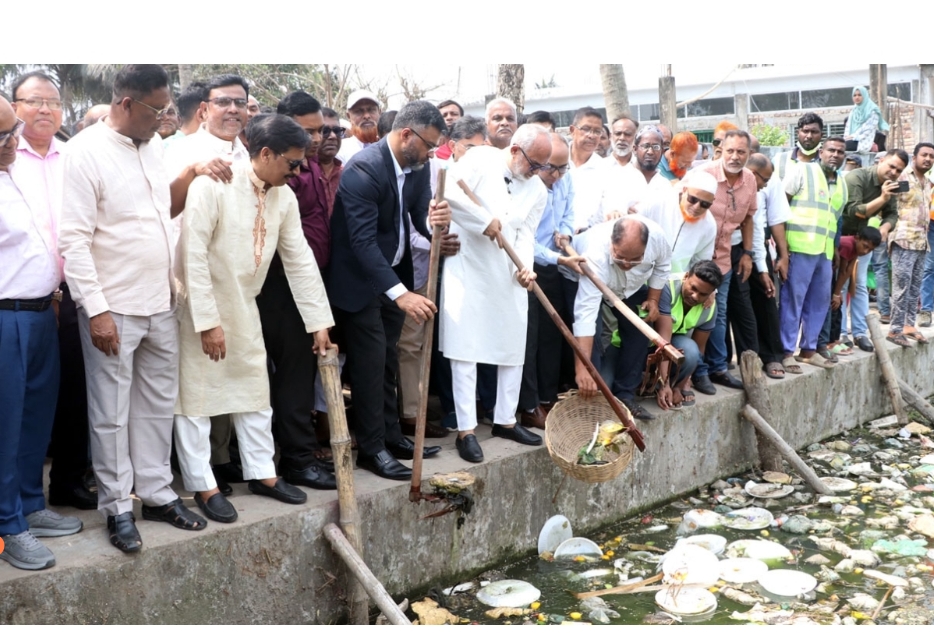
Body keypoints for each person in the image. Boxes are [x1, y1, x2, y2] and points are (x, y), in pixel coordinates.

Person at [59, 64, 207, 553]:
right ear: (125, 104)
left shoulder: (154, 150)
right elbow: (74, 241)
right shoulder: (83, 153)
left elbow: (160, 214)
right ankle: (118, 506)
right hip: (114, 305)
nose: (164, 117)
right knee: (110, 414)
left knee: (156, 406)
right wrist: (95, 310)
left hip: (161, 300)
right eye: (156, 109)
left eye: (167, 107)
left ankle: (159, 493)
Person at [173, 114, 334, 523]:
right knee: (197, 397)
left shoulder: (283, 196)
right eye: (293, 163)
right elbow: (191, 256)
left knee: (253, 390)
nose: (298, 172)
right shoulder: (212, 186)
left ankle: (263, 473)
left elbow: (300, 260)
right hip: (201, 304)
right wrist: (207, 321)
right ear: (265, 153)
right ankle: (202, 484)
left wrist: (318, 321)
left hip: (245, 305)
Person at [327, 101, 450, 480]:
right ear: (405, 135)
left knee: (387, 361)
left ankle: (391, 436)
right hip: (358, 282)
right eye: (428, 145)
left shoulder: (417, 164)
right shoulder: (363, 171)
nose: (432, 153)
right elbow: (362, 244)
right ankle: (371, 449)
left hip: (392, 271)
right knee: (368, 364)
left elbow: (414, 214)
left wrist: (435, 230)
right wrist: (402, 294)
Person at [0, 95, 82, 571]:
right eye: (7, 135)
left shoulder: (15, 173)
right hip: (5, 315)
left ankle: (30, 501)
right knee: (7, 423)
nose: (16, 141)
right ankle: (8, 525)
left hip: (40, 311)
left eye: (14, 132)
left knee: (36, 416)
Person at [9, 72, 96, 511]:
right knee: (20, 400)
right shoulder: (6, 159)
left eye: (53, 102)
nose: (45, 109)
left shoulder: (74, 156)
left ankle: (67, 479)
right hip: (20, 296)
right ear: (14, 106)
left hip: (74, 289)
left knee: (74, 388)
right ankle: (18, 502)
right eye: (34, 101)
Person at [441, 124, 550, 463]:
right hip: (469, 266)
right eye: (535, 164)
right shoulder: (479, 159)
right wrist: (482, 219)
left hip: (508, 271)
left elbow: (526, 233)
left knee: (512, 344)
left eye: (542, 167)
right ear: (516, 150)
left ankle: (505, 419)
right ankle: (466, 429)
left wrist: (526, 268)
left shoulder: (537, 190)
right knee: (466, 348)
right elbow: (450, 192)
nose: (537, 173)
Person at [250, 91, 337, 491]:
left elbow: (302, 252)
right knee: (280, 376)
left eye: (320, 131)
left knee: (297, 374)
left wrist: (319, 317)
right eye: (308, 132)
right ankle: (291, 461)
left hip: (302, 284)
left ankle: (297, 458)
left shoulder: (296, 174)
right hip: (270, 287)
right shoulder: (255, 181)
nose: (316, 140)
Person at [572, 216, 672, 420]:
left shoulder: (658, 239)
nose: (627, 263)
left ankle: (625, 395)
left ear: (645, 249)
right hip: (583, 279)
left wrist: (653, 300)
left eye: (635, 259)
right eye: (620, 257)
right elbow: (585, 318)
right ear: (612, 243)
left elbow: (662, 266)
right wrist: (583, 369)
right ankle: (592, 395)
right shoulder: (596, 255)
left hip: (630, 287)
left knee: (639, 330)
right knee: (595, 336)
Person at [517, 132, 583, 430]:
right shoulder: (527, 188)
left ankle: (548, 396)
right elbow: (525, 241)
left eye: (562, 168)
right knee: (529, 339)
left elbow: (569, 211)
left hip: (557, 264)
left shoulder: (565, 178)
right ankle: (530, 405)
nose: (556, 175)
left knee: (553, 336)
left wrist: (565, 233)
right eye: (550, 168)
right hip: (528, 267)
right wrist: (558, 257)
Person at [693, 130, 757, 395]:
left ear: (748, 154)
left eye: (741, 152)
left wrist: (747, 253)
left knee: (716, 314)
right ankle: (695, 371)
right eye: (730, 150)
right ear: (720, 148)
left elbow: (749, 218)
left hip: (724, 259)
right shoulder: (703, 174)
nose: (735, 156)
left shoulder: (750, 179)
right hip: (695, 260)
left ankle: (716, 368)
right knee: (691, 314)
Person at [779, 136, 849, 370]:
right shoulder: (803, 171)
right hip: (799, 247)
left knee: (819, 303)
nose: (835, 155)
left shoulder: (842, 184)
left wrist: (835, 249)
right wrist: (782, 249)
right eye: (831, 150)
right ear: (821, 152)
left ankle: (808, 350)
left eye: (840, 152)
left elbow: (834, 220)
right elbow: (781, 206)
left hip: (824, 252)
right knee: (793, 302)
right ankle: (787, 351)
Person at [841, 149, 907, 352]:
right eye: (891, 166)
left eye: (899, 170)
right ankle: (842, 333)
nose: (894, 172)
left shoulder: (890, 186)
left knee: (860, 285)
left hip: (864, 242)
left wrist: (885, 228)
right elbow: (855, 211)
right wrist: (883, 197)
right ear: (882, 160)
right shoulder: (857, 177)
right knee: (841, 286)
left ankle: (860, 332)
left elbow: (892, 214)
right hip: (842, 240)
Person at [651, 261, 723, 410]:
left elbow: (699, 350)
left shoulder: (710, 308)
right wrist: (664, 384)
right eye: (693, 288)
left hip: (672, 345)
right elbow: (663, 342)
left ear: (711, 294)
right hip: (649, 343)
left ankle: (675, 386)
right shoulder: (667, 288)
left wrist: (684, 381)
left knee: (691, 350)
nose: (695, 297)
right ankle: (658, 383)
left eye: (703, 294)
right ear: (685, 277)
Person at [746, 153, 790, 379]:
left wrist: (783, 256)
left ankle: (772, 355)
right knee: (733, 309)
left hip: (758, 247)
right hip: (725, 249)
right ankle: (734, 361)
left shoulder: (767, 185)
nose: (764, 185)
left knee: (766, 299)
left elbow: (772, 219)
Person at [886, 143, 934, 346]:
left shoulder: (928, 182)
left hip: (922, 242)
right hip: (903, 239)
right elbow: (889, 201)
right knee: (901, 287)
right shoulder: (902, 177)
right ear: (914, 157)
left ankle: (908, 325)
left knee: (915, 287)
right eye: (924, 155)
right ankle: (895, 330)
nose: (928, 159)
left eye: (932, 156)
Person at [636, 169, 717, 275]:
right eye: (693, 199)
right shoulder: (658, 201)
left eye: (705, 204)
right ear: (684, 190)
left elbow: (700, 263)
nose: (697, 207)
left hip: (675, 284)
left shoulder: (709, 225)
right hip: (640, 275)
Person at [819, 226, 883, 358]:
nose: (866, 251)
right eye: (865, 246)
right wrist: (836, 294)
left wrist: (839, 294)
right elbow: (842, 271)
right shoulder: (848, 245)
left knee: (838, 304)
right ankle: (829, 342)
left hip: (835, 275)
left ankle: (835, 339)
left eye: (870, 250)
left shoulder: (857, 249)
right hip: (827, 272)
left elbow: (849, 270)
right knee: (832, 306)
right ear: (857, 238)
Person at [567, 107, 607, 231]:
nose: (591, 136)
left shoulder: (604, 170)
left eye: (597, 131)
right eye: (586, 129)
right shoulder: (555, 161)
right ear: (572, 130)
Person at [336, 89, 381, 163]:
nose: (366, 116)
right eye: (358, 111)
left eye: (371, 110)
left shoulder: (392, 146)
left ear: (379, 112)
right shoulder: (340, 151)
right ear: (348, 116)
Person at [845, 87, 889, 156]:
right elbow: (848, 126)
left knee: (844, 146)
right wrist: (847, 137)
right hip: (851, 140)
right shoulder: (854, 110)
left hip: (863, 141)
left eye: (859, 95)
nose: (857, 97)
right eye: (855, 95)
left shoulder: (873, 110)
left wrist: (853, 136)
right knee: (839, 144)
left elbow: (867, 129)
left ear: (865, 95)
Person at [317, 107, 344, 217]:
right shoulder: (300, 174)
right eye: (325, 131)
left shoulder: (346, 173)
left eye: (337, 131)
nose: (333, 136)